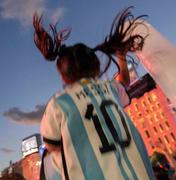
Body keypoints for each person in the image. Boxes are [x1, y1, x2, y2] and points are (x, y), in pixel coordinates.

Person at [33, 6, 155, 180]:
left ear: (63, 74)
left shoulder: (59, 103)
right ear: (96, 66)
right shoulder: (110, 88)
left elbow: (51, 145)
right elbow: (125, 82)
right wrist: (121, 56)